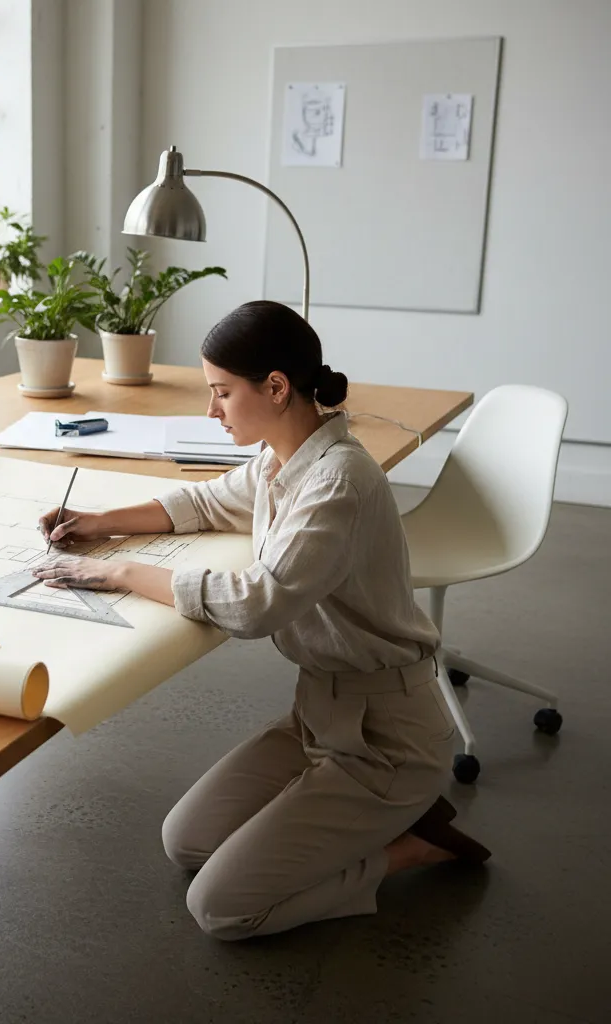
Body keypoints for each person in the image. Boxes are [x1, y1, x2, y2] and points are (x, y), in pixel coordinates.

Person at [33, 300, 489, 941]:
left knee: (221, 909)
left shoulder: (338, 482)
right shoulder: (282, 459)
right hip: (317, 717)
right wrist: (100, 524)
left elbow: (257, 602)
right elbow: (206, 501)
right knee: (185, 843)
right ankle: (348, 815)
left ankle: (410, 847)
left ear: (275, 387)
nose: (210, 411)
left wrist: (123, 572)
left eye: (221, 393)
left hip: (389, 739)